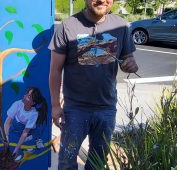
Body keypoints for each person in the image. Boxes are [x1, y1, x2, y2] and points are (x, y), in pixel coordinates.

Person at [48, 0, 139, 169]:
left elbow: (128, 58)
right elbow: (55, 70)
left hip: (106, 109)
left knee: (97, 161)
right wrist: (55, 105)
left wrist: (131, 64)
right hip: (75, 110)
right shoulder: (68, 27)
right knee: (67, 161)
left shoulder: (120, 26)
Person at [4, 87, 48, 158]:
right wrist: (6, 137)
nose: (25, 96)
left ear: (33, 103)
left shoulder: (34, 113)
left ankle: (35, 140)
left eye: (29, 96)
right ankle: (26, 144)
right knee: (14, 131)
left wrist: (16, 150)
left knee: (39, 129)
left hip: (30, 130)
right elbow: (7, 122)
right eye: (27, 93)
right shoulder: (17, 104)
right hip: (19, 126)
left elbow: (25, 132)